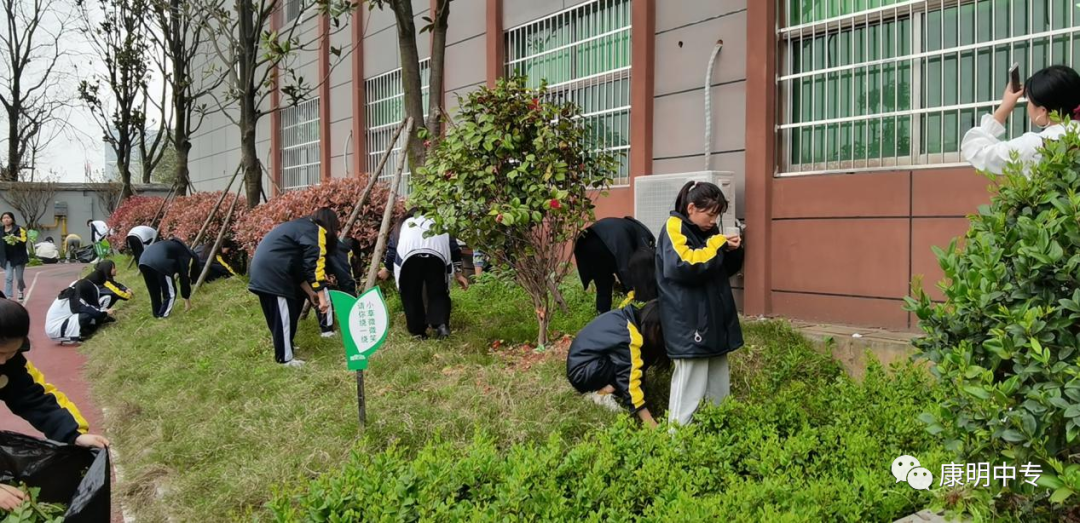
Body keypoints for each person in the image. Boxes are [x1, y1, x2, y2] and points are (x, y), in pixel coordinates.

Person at [0, 298, 109, 510]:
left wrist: (74, 434)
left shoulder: (13, 364)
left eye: (11, 352)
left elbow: (36, 397)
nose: (3, 361)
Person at [656, 181, 744, 426]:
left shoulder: (706, 231)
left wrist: (732, 251)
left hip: (712, 323)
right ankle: (677, 446)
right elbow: (685, 265)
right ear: (692, 207)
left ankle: (717, 438)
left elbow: (720, 269)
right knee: (689, 389)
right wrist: (717, 244)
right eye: (710, 213)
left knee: (719, 390)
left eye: (717, 214)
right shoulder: (674, 227)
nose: (713, 220)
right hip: (689, 324)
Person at [248, 208, 337, 367]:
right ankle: (285, 359)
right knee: (283, 317)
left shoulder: (300, 227)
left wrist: (310, 293)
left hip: (265, 271)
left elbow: (298, 270)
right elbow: (315, 267)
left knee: (281, 316)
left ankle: (286, 346)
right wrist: (323, 299)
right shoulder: (316, 231)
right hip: (274, 274)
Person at [962, 65, 1080, 176]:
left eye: (1029, 101)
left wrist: (1003, 108)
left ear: (1043, 111)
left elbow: (977, 151)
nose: (1028, 106)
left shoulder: (1034, 146)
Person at [566, 300, 667, 428]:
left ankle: (607, 389)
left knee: (636, 361)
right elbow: (629, 381)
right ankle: (602, 395)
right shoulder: (630, 338)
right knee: (631, 368)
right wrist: (651, 424)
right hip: (582, 372)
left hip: (589, 362)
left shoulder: (632, 318)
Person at [378, 208, 469, 340]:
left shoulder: (404, 224)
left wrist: (387, 269)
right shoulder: (439, 221)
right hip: (437, 257)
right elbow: (454, 248)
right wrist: (459, 274)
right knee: (438, 291)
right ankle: (441, 326)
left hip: (409, 258)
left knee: (411, 294)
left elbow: (392, 249)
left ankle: (418, 332)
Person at [574, 216, 657, 314]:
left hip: (585, 242)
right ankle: (633, 314)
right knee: (629, 280)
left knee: (603, 286)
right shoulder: (643, 235)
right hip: (605, 244)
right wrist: (630, 287)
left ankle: (602, 316)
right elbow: (639, 263)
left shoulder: (626, 226)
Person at [138, 236, 198, 319]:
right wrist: (186, 298)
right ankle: (162, 315)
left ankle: (157, 312)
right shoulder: (185, 255)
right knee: (171, 293)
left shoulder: (173, 246)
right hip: (160, 262)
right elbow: (184, 278)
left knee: (154, 290)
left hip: (143, 261)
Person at [44, 279, 113, 343]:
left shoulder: (72, 294)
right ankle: (74, 336)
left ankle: (74, 333)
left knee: (89, 316)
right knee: (87, 316)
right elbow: (89, 310)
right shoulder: (73, 299)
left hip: (56, 328)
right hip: (55, 329)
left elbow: (88, 307)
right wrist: (105, 313)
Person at [316, 236, 358, 338]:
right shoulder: (343, 250)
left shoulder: (327, 242)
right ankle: (327, 331)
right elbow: (346, 278)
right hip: (313, 269)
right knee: (324, 291)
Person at [2, 213, 29, 301]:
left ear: (12, 219)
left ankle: (20, 290)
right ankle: (8, 296)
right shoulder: (0, 230)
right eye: (4, 218)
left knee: (19, 278)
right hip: (7, 258)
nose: (6, 219)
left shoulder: (19, 229)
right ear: (2, 220)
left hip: (19, 258)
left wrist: (15, 239)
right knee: (8, 277)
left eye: (8, 218)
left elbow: (24, 240)